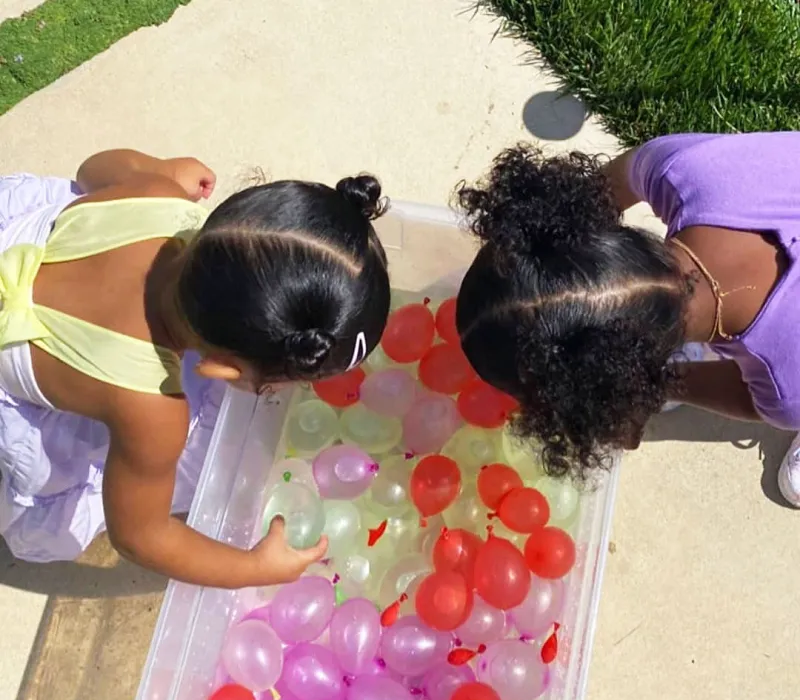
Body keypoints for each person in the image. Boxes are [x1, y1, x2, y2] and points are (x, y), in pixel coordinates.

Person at [0, 149, 391, 584]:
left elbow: (90, 171)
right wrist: (254, 568)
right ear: (222, 369)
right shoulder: (152, 413)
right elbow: (139, 535)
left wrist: (162, 169)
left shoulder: (158, 195)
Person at [454, 133, 800, 503]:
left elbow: (753, 397)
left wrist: (656, 386)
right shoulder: (680, 169)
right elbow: (607, 186)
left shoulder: (787, 389)